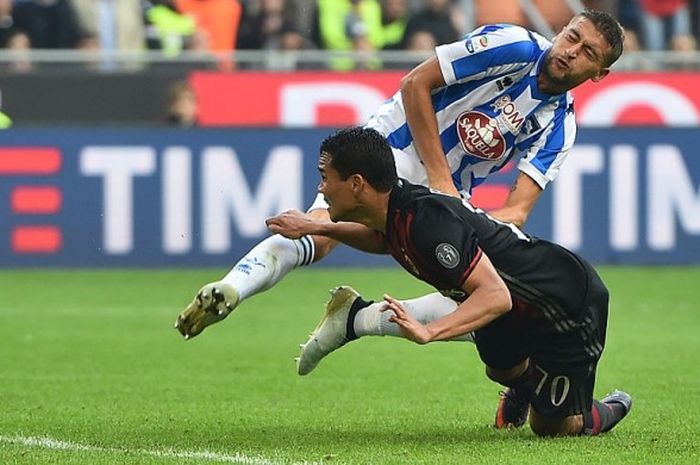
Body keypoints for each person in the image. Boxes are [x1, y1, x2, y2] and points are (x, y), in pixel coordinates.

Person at [174, 9, 624, 340]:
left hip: (445, 193)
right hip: (393, 145)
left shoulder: (560, 127)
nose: (570, 52)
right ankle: (232, 287)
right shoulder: (514, 45)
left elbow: (518, 210)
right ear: (560, 31)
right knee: (325, 233)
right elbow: (415, 84)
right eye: (571, 37)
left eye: (587, 53)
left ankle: (359, 320)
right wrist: (442, 181)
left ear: (599, 73)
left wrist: (481, 231)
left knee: (486, 289)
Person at [265, 126, 632, 437]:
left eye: (326, 177)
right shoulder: (394, 211)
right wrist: (318, 226)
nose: (322, 188)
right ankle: (527, 387)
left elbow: (495, 295)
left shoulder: (426, 221)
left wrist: (431, 332)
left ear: (357, 183)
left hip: (565, 304)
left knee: (552, 429)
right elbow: (381, 239)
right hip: (512, 308)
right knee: (500, 368)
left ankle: (608, 407)